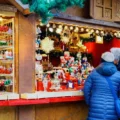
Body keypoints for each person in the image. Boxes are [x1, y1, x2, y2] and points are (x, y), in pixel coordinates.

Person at [83, 52, 120, 120]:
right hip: (112, 107)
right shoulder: (118, 75)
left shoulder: (93, 73)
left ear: (101, 60)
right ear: (113, 61)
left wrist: (89, 101)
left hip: (95, 104)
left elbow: (86, 89)